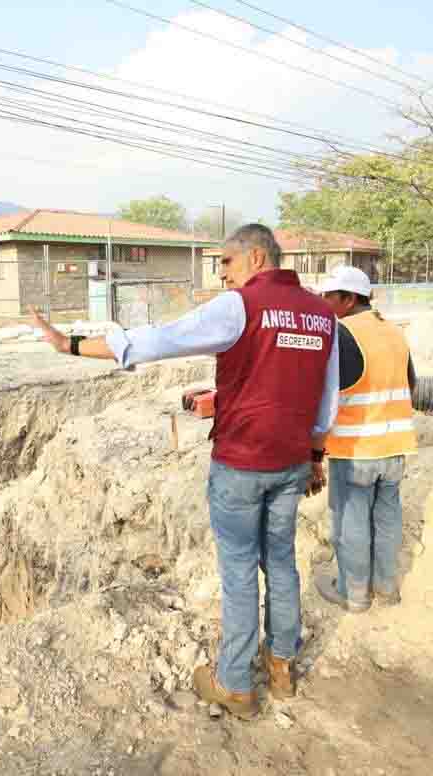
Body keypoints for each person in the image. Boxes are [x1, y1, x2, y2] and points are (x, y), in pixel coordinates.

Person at [30, 224, 339, 719]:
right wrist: (315, 457)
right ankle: (282, 666)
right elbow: (328, 400)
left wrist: (70, 345)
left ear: (256, 257)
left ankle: (235, 684)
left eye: (227, 264)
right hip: (290, 462)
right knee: (280, 562)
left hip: (241, 462)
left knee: (239, 572)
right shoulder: (323, 315)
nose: (223, 275)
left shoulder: (241, 306)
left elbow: (160, 339)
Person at [312, 266, 417, 613]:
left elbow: (327, 394)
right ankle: (386, 589)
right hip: (395, 447)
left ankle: (353, 594)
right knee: (387, 520)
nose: (325, 304)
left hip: (356, 450)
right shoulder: (394, 332)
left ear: (349, 298)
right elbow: (411, 384)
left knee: (351, 523)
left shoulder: (342, 333)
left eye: (329, 297)